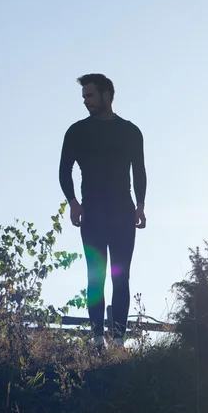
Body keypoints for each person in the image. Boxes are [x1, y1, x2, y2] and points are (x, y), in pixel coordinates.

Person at [59, 73, 147, 349]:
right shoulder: (77, 131)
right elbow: (64, 170)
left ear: (107, 95)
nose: (86, 101)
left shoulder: (131, 131)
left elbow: (139, 171)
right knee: (94, 274)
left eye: (91, 95)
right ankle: (97, 338)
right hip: (93, 212)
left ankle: (119, 340)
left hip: (123, 211)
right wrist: (73, 202)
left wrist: (141, 205)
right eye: (84, 97)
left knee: (121, 276)